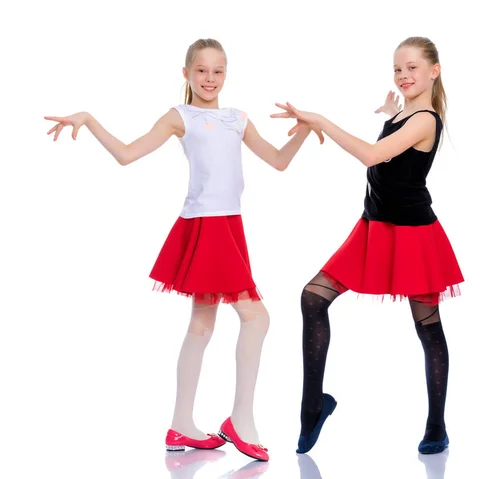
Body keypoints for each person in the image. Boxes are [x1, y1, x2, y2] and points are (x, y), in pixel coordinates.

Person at [44, 38, 322, 462]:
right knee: (257, 317)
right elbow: (126, 154)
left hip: (230, 225)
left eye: (217, 71)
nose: (209, 79)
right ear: (187, 74)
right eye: (201, 71)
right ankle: (239, 421)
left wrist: (304, 129)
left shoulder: (236, 118)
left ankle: (181, 426)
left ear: (226, 75)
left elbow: (279, 160)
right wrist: (90, 119)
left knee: (202, 327)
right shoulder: (181, 117)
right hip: (205, 227)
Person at [271, 36, 464, 455]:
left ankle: (437, 427)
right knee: (312, 297)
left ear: (434, 71)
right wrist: (392, 113)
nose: (403, 75)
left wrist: (321, 120)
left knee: (428, 327)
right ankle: (312, 408)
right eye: (397, 69)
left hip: (413, 235)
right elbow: (394, 144)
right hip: (374, 227)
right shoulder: (407, 113)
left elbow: (374, 155)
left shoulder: (426, 118)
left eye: (412, 67)